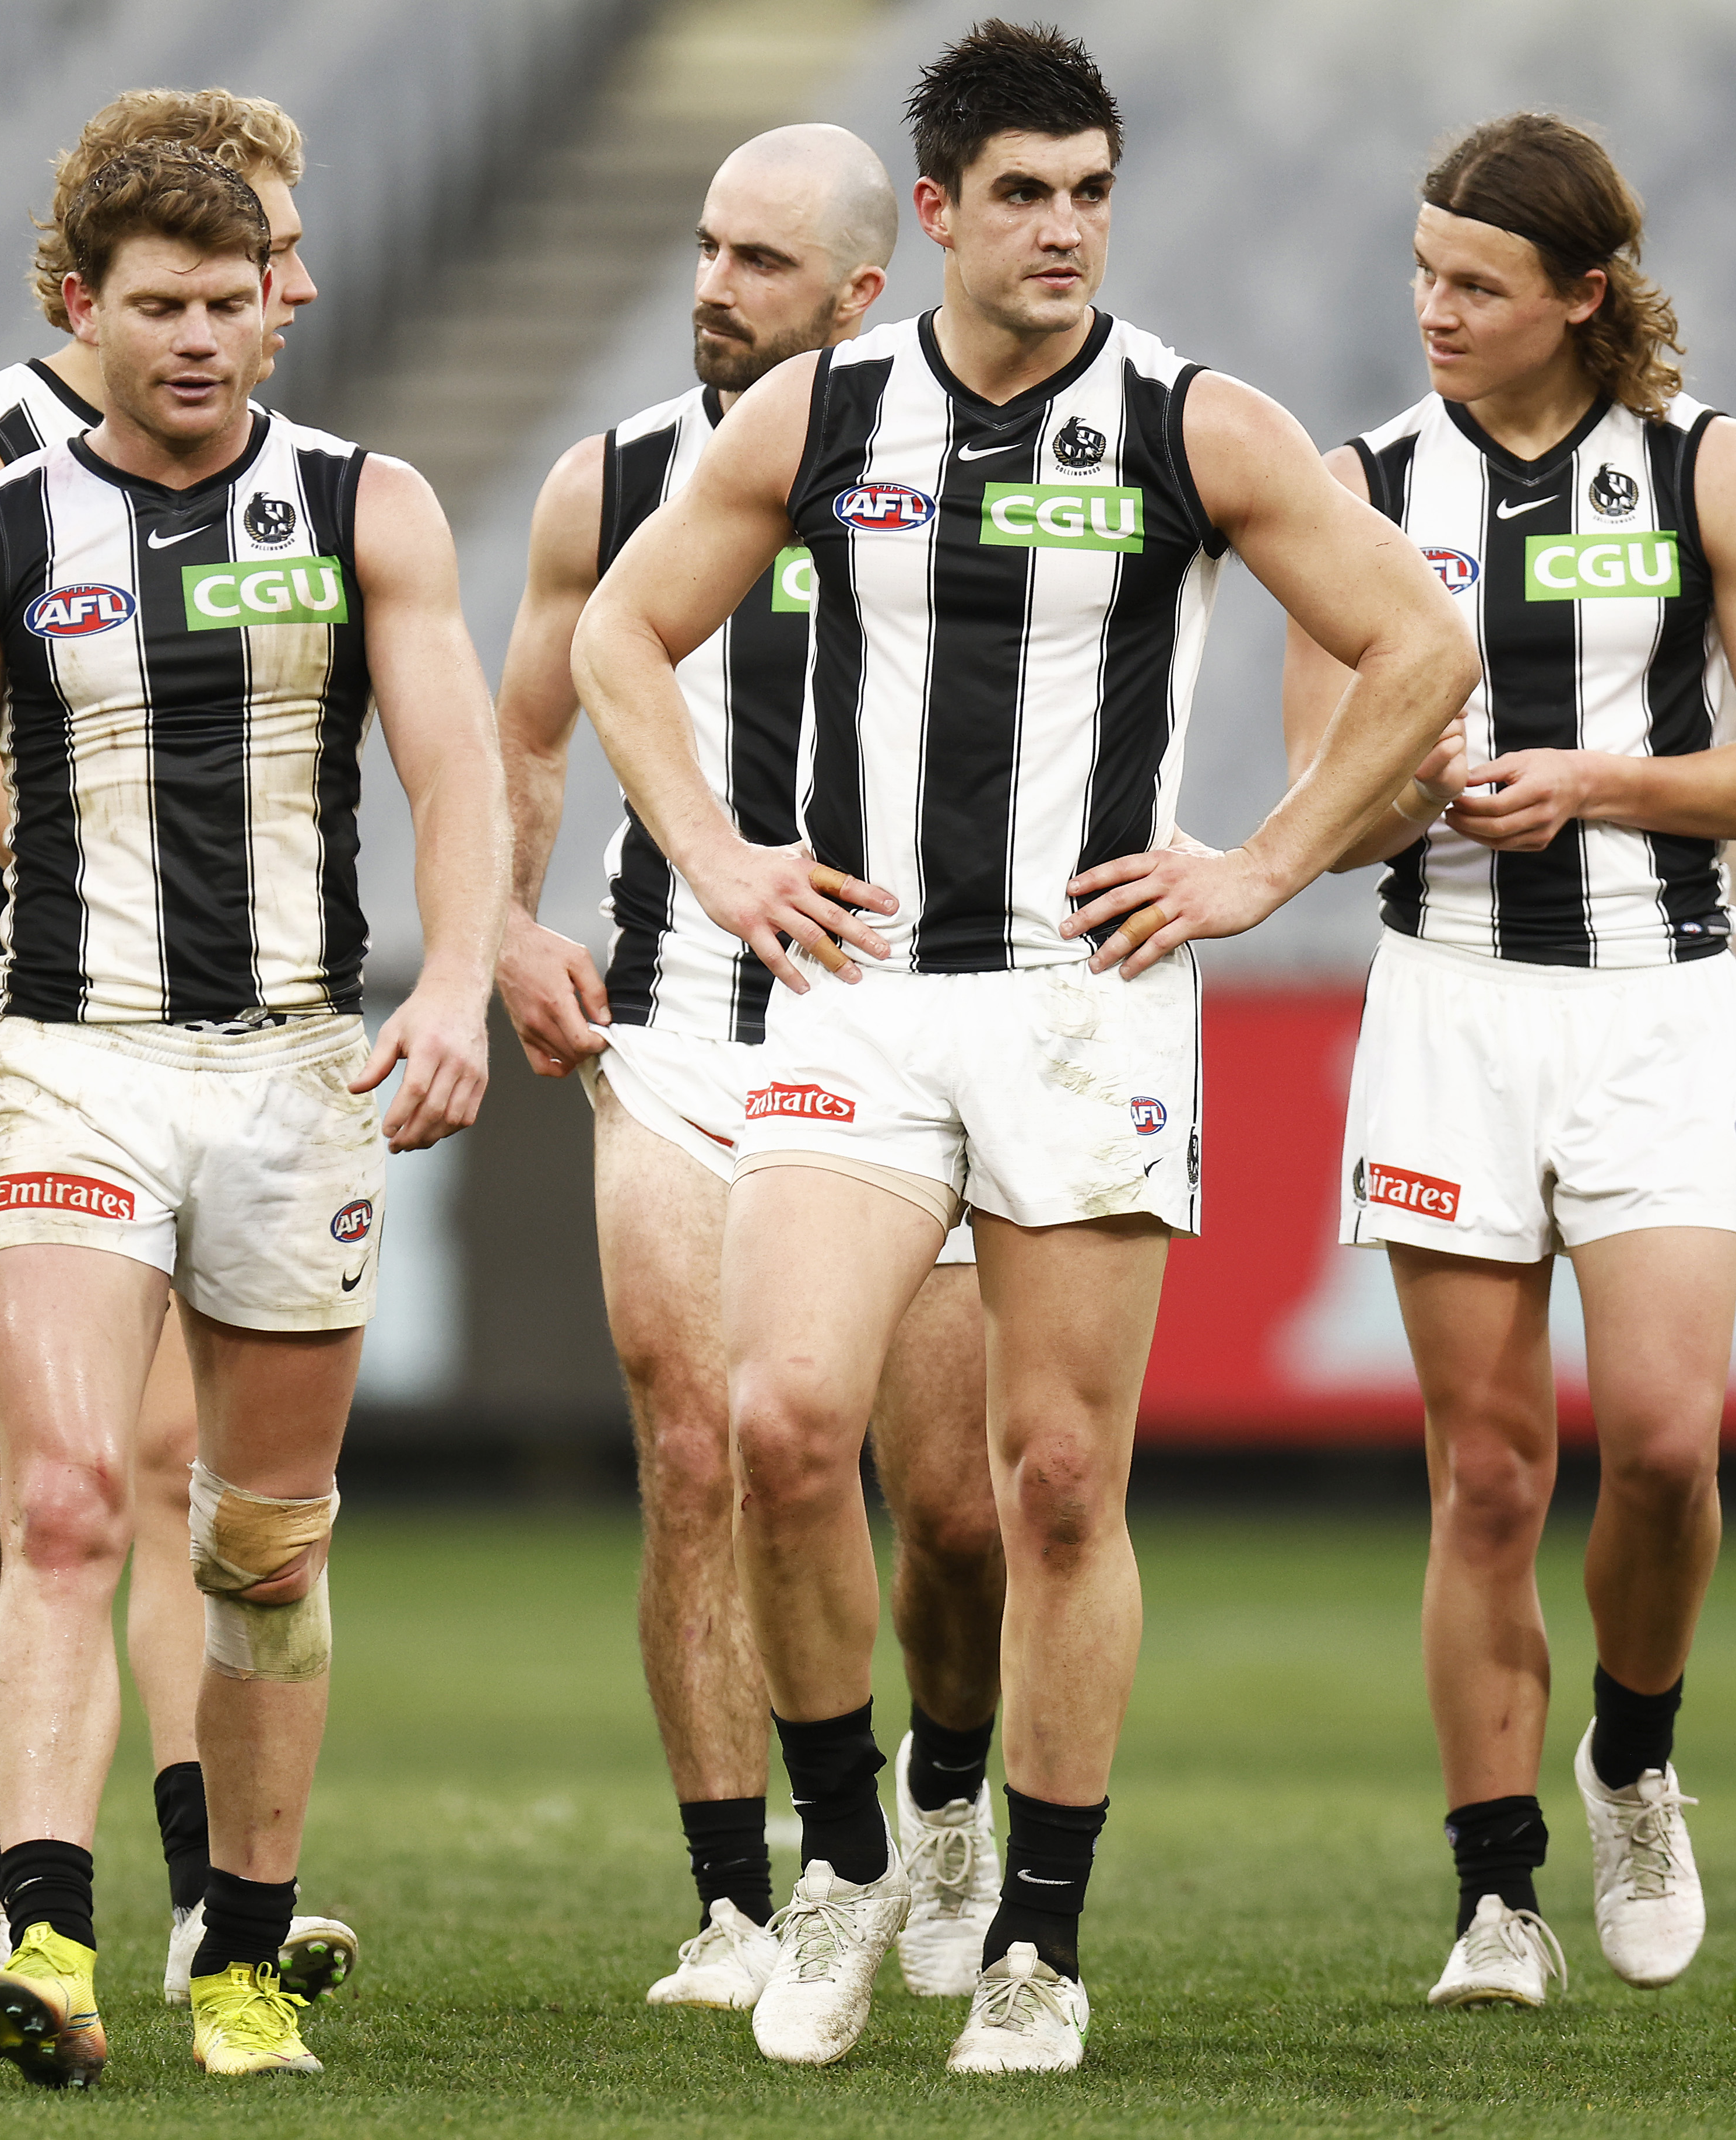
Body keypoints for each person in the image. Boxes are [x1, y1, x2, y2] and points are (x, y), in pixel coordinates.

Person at [574, 20, 1476, 2075]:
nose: (1064, 229)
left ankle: (1037, 1945)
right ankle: (841, 1862)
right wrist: (714, 856)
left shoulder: (1191, 421)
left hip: (1082, 1006)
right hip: (866, 992)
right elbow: (620, 631)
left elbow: (1423, 644)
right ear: (937, 213)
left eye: (1090, 194)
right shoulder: (823, 410)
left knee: (1054, 1486)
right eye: (1024, 196)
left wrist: (1262, 865)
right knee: (782, 1424)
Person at [0, 145, 505, 2085]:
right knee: (60, 1501)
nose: (198, 337)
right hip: (71, 1062)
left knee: (265, 1548)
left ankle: (244, 1958)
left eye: (227, 301)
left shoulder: (370, 507)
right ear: (81, 309)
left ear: (270, 302)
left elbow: (457, 770)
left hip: (296, 1072)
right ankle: (47, 1944)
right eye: (158, 305)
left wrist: (455, 982)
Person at [1291, 114, 1736, 2006]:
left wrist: (1596, 781)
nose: (1435, 310)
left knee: (1670, 1449)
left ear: (1585, 294)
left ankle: (1634, 1753)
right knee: (1489, 1475)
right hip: (1449, 1006)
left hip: (1655, 1004)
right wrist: (1404, 787)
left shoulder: (1712, 469)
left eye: (1478, 283)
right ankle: (1496, 1896)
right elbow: (1317, 801)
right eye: (1423, 273)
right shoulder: (1361, 486)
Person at [496, 122, 1008, 2013]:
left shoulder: (966, 465)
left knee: (953, 1508)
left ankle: (944, 1800)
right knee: (698, 1448)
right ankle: (742, 1898)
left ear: (862, 295)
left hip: (912, 1020)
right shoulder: (613, 479)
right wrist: (508, 923)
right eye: (709, 246)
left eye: (762, 263)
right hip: (683, 1023)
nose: (713, 286)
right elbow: (528, 725)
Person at [0, 86, 340, 2015]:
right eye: (251, 249)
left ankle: (194, 1886)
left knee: (166, 1473)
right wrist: (131, 890)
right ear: (101, 276)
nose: (280, 288)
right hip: (8, 990)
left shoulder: (275, 472)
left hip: (210, 1026)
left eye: (276, 260)